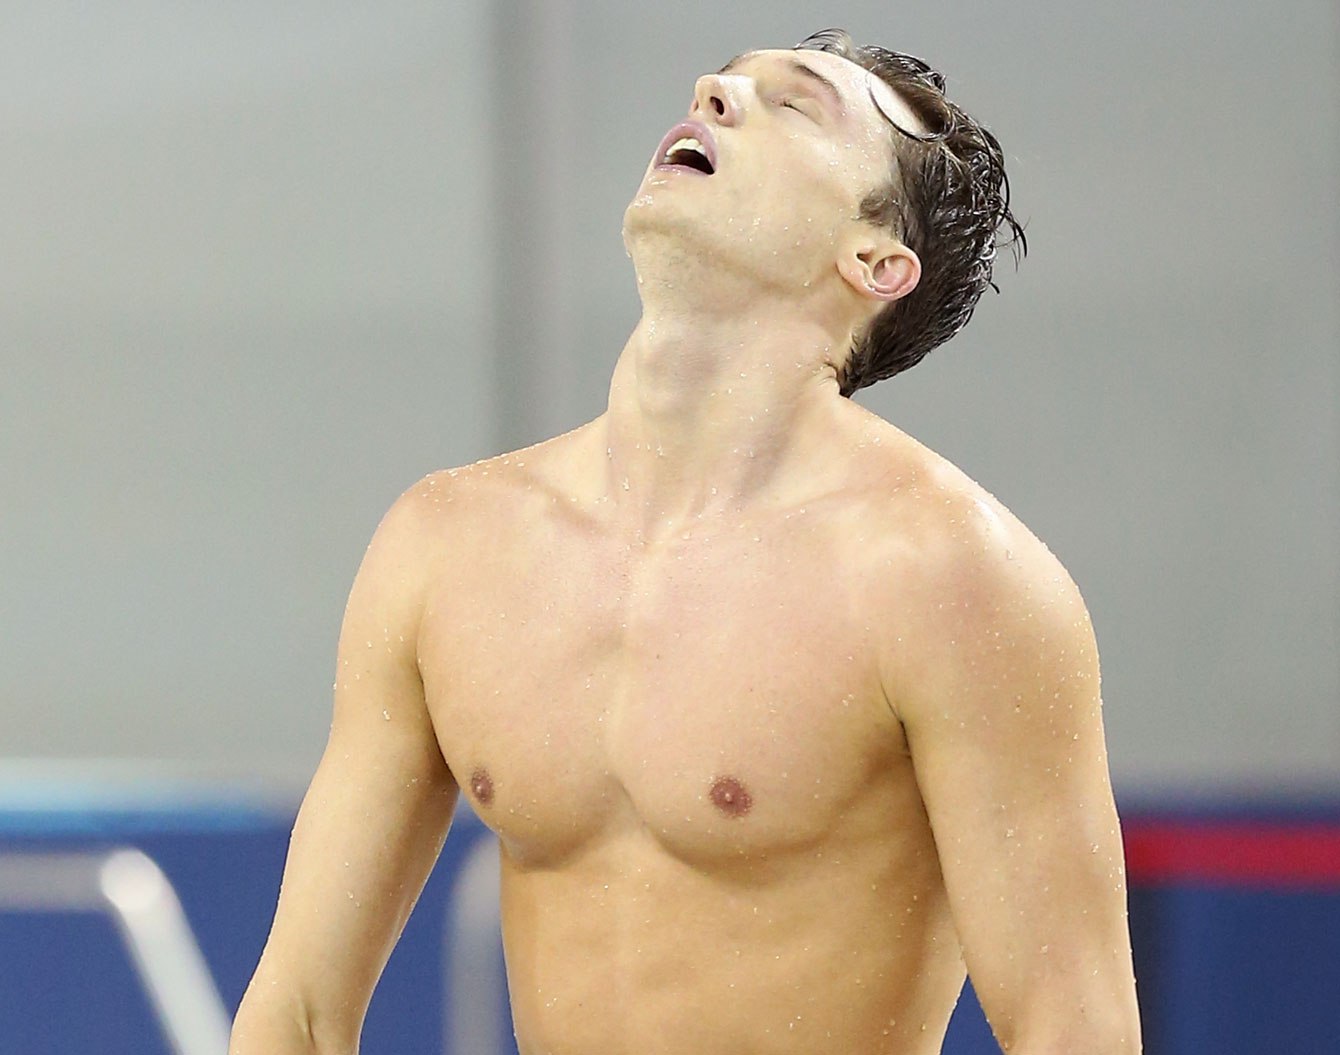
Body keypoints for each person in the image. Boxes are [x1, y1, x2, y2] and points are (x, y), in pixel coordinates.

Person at [230, 28, 1141, 1055]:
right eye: (724, 81)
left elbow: (1074, 1026)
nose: (712, 91)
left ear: (875, 260)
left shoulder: (952, 577)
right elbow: (297, 1012)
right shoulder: (444, 543)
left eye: (794, 103)